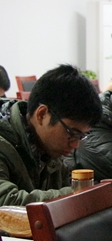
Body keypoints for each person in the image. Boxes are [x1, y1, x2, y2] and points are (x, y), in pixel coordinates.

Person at [0, 65, 102, 205]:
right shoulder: (4, 142)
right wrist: (77, 194)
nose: (75, 144)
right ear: (42, 115)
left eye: (81, 136)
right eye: (72, 133)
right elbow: (4, 201)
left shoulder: (50, 151)